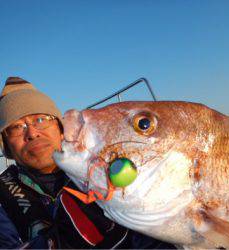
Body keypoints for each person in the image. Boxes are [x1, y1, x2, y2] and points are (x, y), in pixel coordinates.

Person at [0, 77, 176, 249]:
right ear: (6, 146)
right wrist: (63, 242)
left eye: (40, 119)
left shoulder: (106, 165)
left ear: (60, 129)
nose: (32, 133)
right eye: (16, 127)